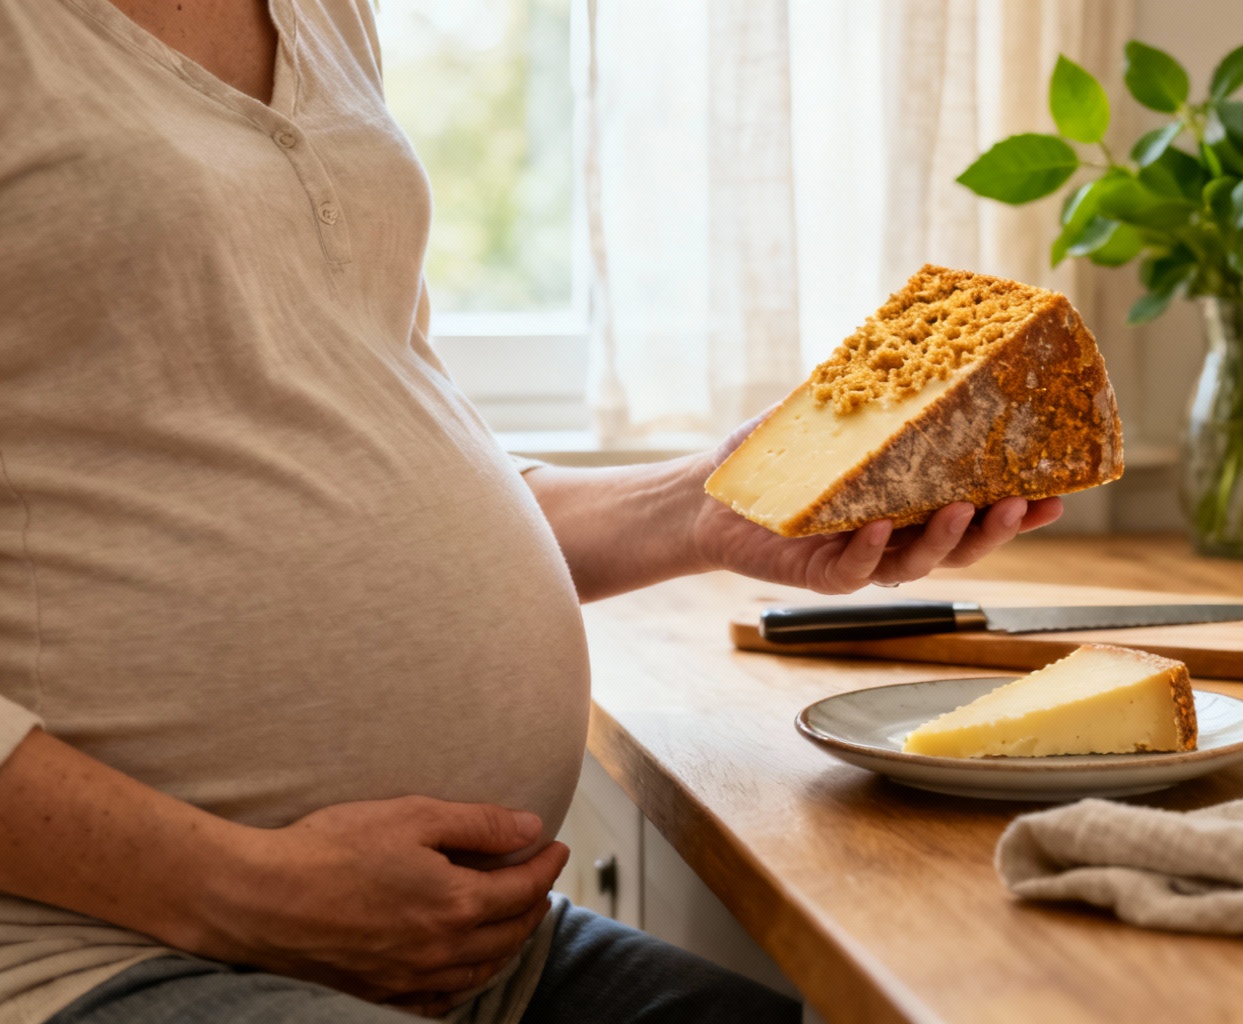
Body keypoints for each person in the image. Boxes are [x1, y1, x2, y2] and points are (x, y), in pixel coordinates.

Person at [0, 1, 1064, 1022]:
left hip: (470, 955)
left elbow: (363, 437)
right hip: (94, 951)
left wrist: (706, 506)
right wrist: (237, 884)